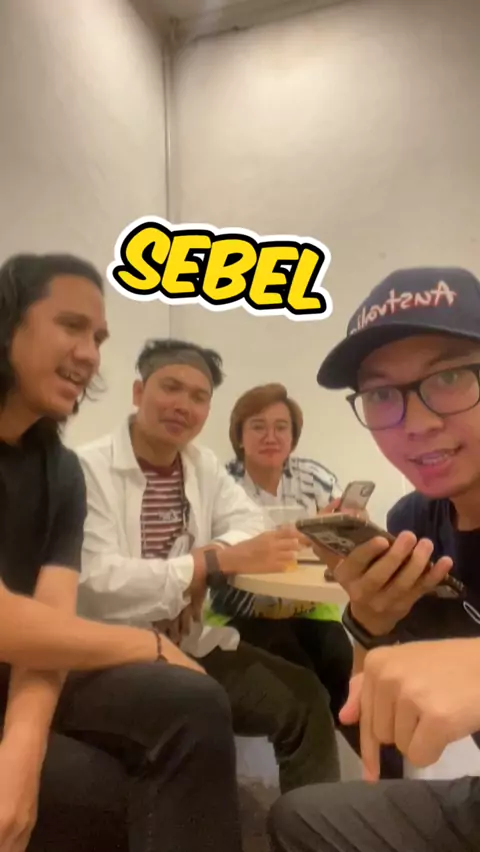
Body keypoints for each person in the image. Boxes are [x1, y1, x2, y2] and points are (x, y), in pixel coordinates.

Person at [0, 253, 246, 852]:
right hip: (100, 641)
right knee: (101, 794)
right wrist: (151, 644)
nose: (89, 354)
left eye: (99, 338)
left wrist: (22, 748)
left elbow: (50, 627)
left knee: (196, 702)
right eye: (71, 325)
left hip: (34, 669)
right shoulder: (93, 466)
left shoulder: (60, 470)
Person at [269, 266, 480, 850]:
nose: (418, 424)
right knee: (302, 816)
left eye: (451, 376)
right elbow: (382, 734)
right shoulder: (416, 522)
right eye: (383, 395)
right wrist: (370, 623)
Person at [76, 339, 341, 795]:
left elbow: (251, 523)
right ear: (138, 392)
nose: (183, 405)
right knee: (199, 709)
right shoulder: (86, 468)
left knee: (306, 699)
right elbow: (97, 582)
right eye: (170, 388)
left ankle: (311, 825)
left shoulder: (203, 466)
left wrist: (205, 567)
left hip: (187, 639)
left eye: (198, 396)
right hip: (111, 653)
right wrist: (202, 567)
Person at [218, 382, 353, 722]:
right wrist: (303, 534)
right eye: (257, 427)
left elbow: (343, 534)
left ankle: (369, 754)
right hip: (244, 611)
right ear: (239, 436)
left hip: (310, 608)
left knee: (344, 664)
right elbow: (223, 548)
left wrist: (351, 522)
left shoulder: (314, 477)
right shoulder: (221, 484)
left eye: (281, 427)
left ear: (293, 437)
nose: (271, 437)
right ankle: (314, 739)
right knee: (300, 673)